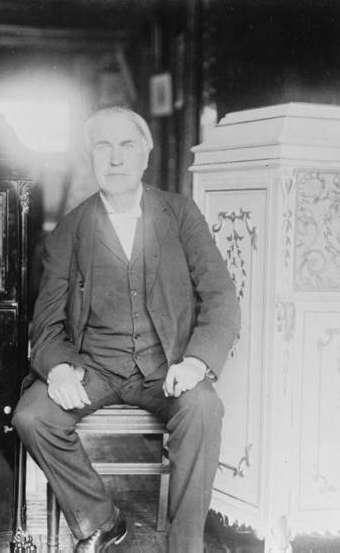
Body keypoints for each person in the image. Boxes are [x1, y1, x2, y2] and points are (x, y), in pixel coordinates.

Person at [13, 106, 240, 553]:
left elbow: (221, 298)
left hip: (166, 368)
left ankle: (184, 544)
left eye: (126, 145)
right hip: (92, 368)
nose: (115, 159)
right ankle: (101, 518)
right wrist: (59, 370)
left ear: (146, 155)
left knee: (203, 410)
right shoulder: (69, 231)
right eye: (103, 147)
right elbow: (47, 320)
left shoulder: (180, 214)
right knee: (32, 416)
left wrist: (196, 363)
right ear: (89, 158)